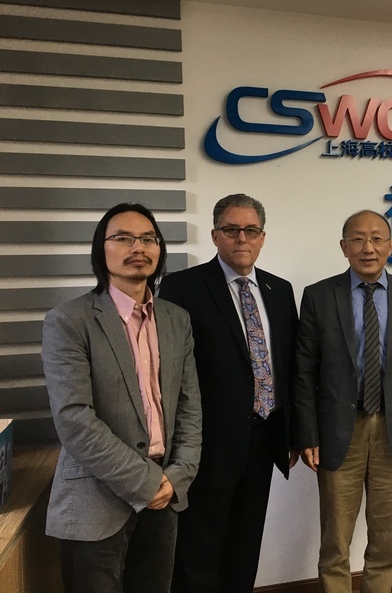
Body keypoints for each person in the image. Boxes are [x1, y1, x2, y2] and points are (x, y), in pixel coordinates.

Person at [41, 203, 202, 593]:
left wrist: (178, 476)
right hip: (96, 500)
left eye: (148, 238)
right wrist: (147, 482)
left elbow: (189, 407)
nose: (138, 247)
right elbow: (74, 420)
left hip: (165, 495)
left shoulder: (176, 319)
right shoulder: (69, 320)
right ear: (102, 249)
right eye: (123, 238)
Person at [159, 193, 298, 593]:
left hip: (265, 437)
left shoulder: (279, 290)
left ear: (263, 237)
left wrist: (293, 434)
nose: (242, 238)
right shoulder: (182, 288)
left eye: (251, 230)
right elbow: (169, 371)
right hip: (207, 444)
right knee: (199, 550)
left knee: (245, 545)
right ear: (215, 235)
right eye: (232, 229)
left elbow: (289, 367)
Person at [292, 209, 392, 593]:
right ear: (344, 247)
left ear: (391, 245)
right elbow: (303, 372)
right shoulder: (319, 296)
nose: (367, 248)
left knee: (387, 538)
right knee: (336, 538)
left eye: (376, 238)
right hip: (339, 430)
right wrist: (307, 434)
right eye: (357, 239)